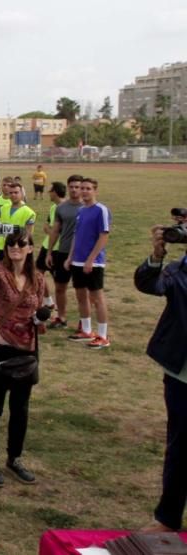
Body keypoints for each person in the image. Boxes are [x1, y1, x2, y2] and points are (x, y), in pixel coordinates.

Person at [0, 230, 45, 488]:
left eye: (20, 243)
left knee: (20, 410)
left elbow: (40, 313)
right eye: (11, 243)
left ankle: (15, 458)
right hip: (0, 352)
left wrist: (41, 318)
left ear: (30, 248)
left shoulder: (38, 278)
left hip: (27, 352)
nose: (15, 247)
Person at [135, 225, 187, 532]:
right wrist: (157, 254)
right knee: (180, 446)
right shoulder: (178, 269)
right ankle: (167, 517)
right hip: (181, 373)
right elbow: (148, 284)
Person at [65, 177, 111, 349]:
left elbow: (103, 236)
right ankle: (86, 330)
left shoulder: (101, 210)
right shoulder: (81, 210)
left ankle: (103, 335)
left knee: (97, 298)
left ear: (95, 190)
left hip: (94, 263)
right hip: (77, 261)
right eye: (82, 188)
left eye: (88, 188)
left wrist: (91, 259)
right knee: (80, 296)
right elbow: (76, 236)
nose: (84, 191)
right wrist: (70, 257)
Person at [45, 175, 83, 330]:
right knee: (60, 287)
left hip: (81, 255)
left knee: (82, 291)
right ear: (67, 188)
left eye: (77, 187)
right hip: (62, 251)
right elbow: (55, 231)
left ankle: (83, 322)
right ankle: (61, 317)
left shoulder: (87, 208)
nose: (74, 189)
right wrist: (49, 253)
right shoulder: (61, 208)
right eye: (71, 186)